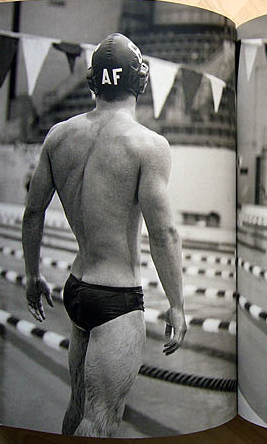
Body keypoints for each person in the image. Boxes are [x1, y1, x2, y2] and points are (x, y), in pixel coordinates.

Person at [22, 33, 187, 437]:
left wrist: (31, 275)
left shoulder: (58, 136)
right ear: (141, 80)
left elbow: (32, 213)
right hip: (117, 297)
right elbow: (163, 232)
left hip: (76, 287)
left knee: (76, 406)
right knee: (101, 421)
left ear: (93, 81)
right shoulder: (148, 145)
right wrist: (177, 305)